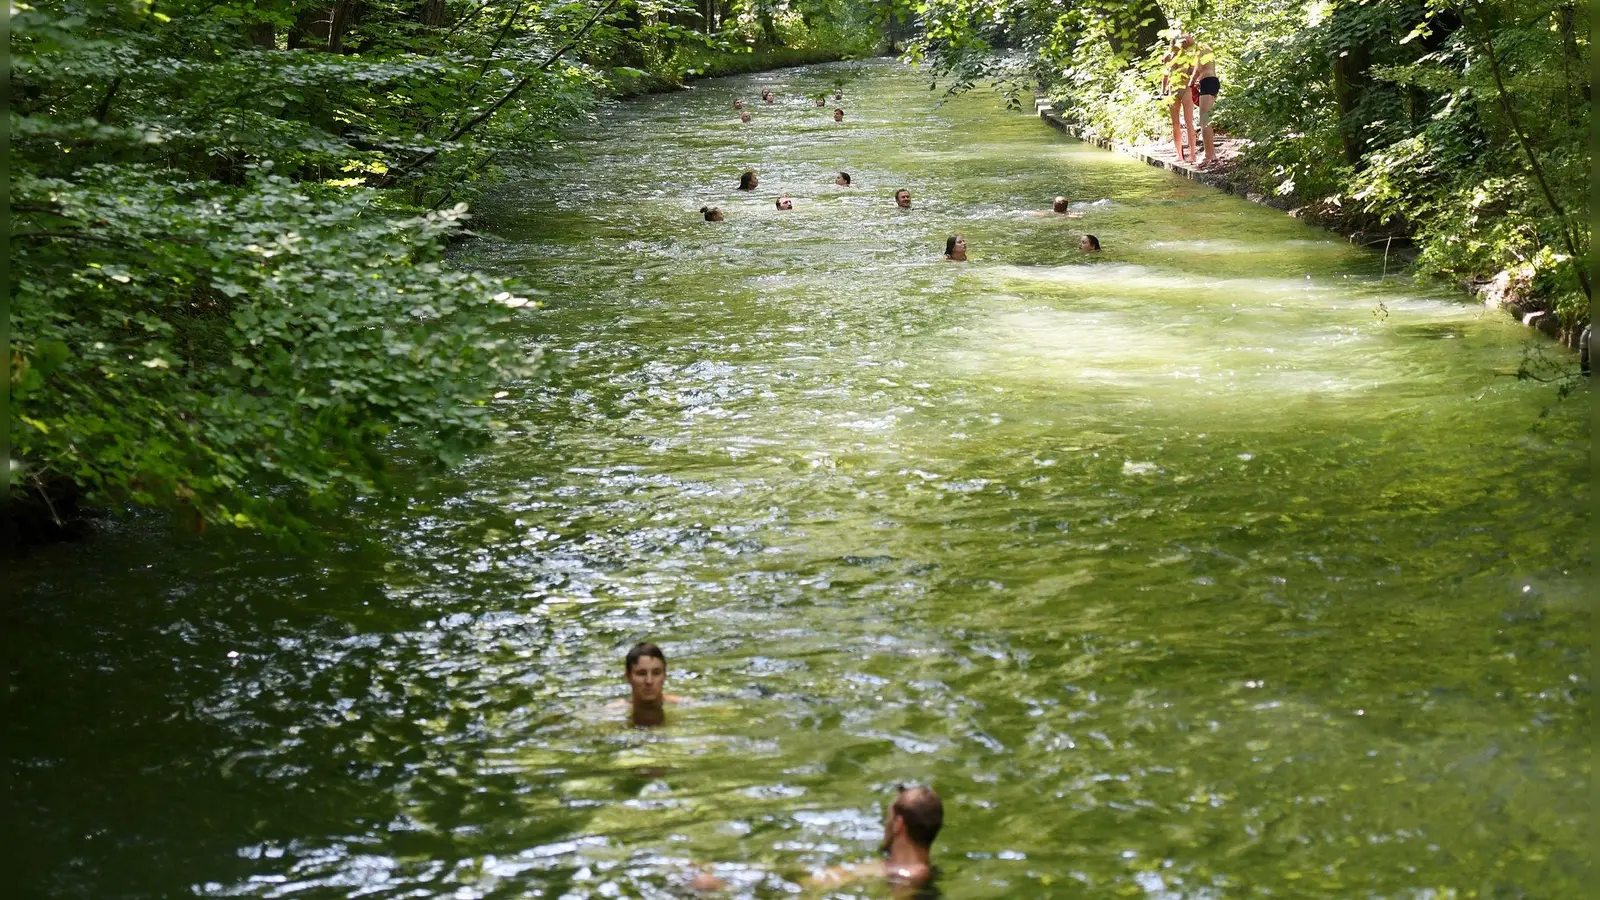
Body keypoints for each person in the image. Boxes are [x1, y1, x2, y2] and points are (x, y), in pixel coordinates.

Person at [805, 785, 943, 894]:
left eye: (888, 820)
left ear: (898, 824)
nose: (885, 827)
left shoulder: (910, 879)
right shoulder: (894, 869)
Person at [616, 641, 682, 727]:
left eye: (656, 673)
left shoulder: (686, 707)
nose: (649, 681)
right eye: (641, 673)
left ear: (665, 675)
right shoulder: (611, 713)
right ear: (628, 676)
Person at [1181, 34, 1221, 167]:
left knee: (1204, 120)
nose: (1184, 48)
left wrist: (1191, 83)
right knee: (1205, 119)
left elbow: (1197, 70)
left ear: (1187, 40)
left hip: (1209, 82)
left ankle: (1209, 155)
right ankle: (1210, 154)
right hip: (1209, 82)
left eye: (1184, 45)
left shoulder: (1201, 47)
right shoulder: (1203, 47)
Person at [1161, 39, 1197, 163]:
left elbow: (1192, 73)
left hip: (1186, 89)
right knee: (1175, 124)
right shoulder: (1167, 57)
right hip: (1173, 91)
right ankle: (1179, 155)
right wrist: (1163, 91)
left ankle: (1192, 154)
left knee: (1188, 121)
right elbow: (1165, 75)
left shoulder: (1188, 57)